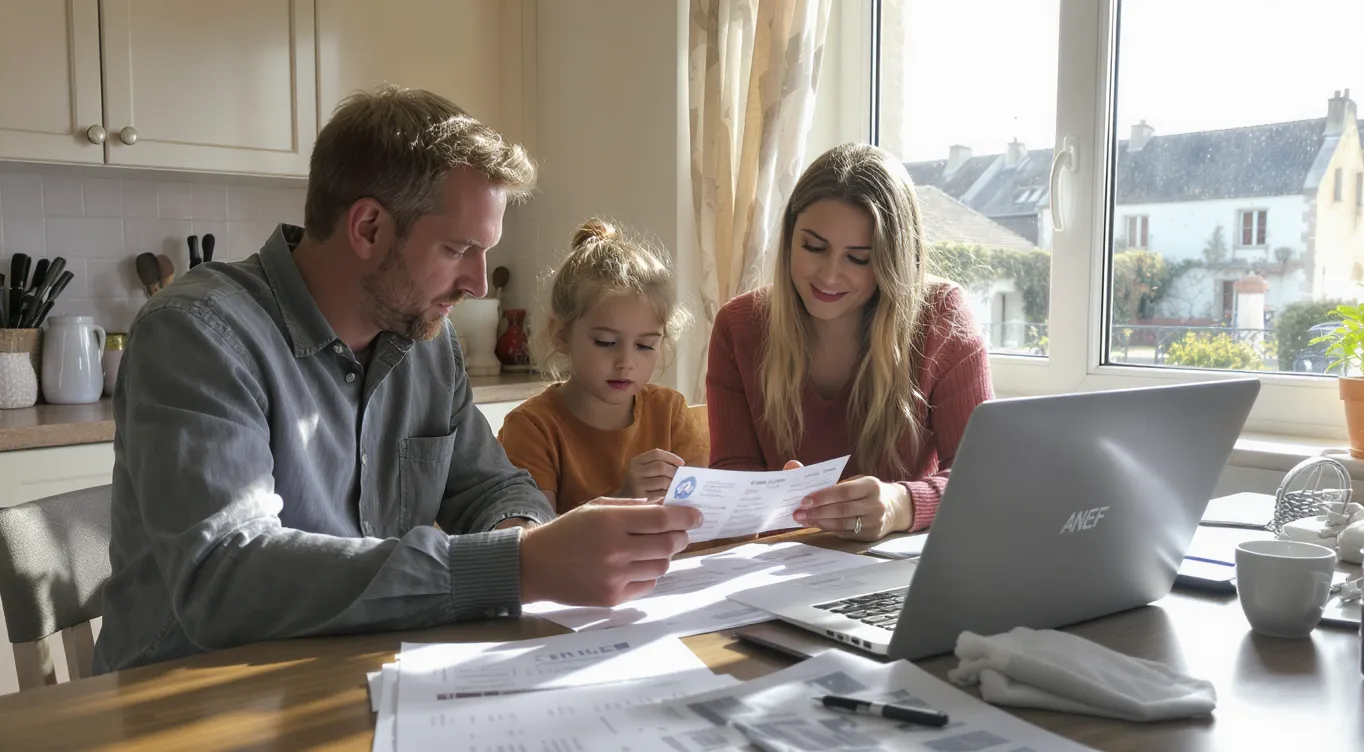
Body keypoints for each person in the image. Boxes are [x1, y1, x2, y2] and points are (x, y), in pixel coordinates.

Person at [93, 86, 700, 674]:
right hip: (194, 698)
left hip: (363, 680)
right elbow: (225, 577)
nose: (479, 284)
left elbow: (493, 490)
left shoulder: (428, 346)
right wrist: (516, 565)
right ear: (368, 229)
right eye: (459, 248)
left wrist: (525, 536)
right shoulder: (198, 334)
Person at [705, 142, 993, 542]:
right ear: (789, 237)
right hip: (782, 564)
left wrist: (899, 504)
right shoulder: (739, 327)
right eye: (813, 247)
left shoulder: (942, 317)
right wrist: (764, 499)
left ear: (892, 260)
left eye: (858, 258)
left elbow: (984, 482)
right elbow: (732, 473)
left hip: (900, 573)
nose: (829, 275)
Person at [498, 219, 707, 513]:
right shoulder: (532, 428)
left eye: (645, 346)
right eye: (606, 342)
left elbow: (704, 519)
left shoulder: (670, 412)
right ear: (561, 335)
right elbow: (537, 540)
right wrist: (623, 500)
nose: (626, 363)